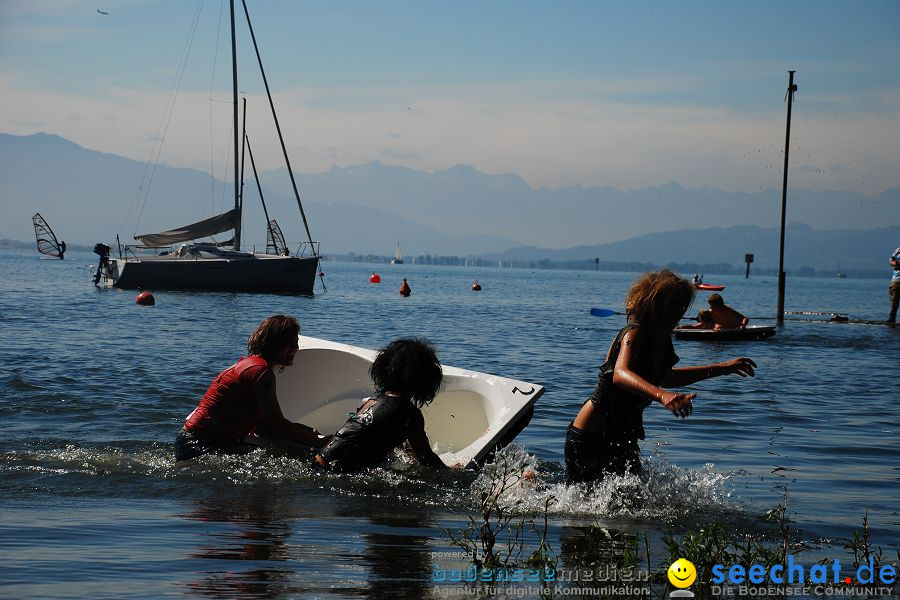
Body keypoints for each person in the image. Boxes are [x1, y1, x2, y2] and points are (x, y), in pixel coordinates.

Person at [564, 269, 756, 484]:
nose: (677, 314)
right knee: (583, 498)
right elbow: (620, 374)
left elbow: (666, 378)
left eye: (681, 308)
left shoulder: (663, 339)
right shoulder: (633, 333)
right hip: (593, 432)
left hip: (624, 431)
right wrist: (662, 396)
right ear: (653, 307)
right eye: (672, 308)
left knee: (631, 501)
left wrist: (723, 367)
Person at [175, 315, 327, 461]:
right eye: (291, 343)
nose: (296, 348)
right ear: (276, 344)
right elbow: (277, 425)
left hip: (189, 441)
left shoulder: (250, 365)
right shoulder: (261, 373)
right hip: (199, 445)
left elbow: (264, 426)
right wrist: (319, 443)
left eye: (296, 343)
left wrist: (308, 432)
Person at [314, 338, 450, 471]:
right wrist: (451, 471)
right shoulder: (409, 414)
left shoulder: (376, 398)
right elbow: (426, 457)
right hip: (341, 475)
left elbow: (383, 434)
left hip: (320, 461)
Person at [888, 247, 900, 323]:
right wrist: (897, 263)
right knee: (894, 301)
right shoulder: (898, 250)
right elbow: (891, 261)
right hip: (897, 280)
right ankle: (891, 319)